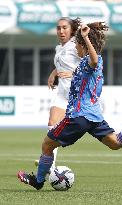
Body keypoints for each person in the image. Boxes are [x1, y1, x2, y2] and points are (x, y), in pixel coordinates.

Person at [17, 22, 122, 190]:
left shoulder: (91, 61)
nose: (75, 48)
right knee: (115, 143)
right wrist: (63, 72)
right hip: (94, 116)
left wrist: (85, 38)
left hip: (78, 116)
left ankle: (38, 181)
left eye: (77, 45)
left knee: (47, 144)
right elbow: (88, 68)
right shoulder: (86, 64)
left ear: (84, 45)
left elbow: (93, 60)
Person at [35, 17, 81, 168]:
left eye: (65, 28)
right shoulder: (59, 48)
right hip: (62, 95)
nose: (61, 31)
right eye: (58, 28)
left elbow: (92, 64)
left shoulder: (76, 45)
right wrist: (53, 73)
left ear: (72, 29)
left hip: (79, 95)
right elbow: (62, 63)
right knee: (52, 123)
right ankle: (50, 164)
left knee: (101, 125)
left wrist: (74, 73)